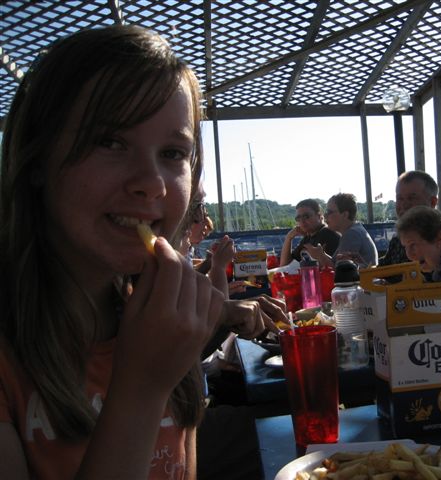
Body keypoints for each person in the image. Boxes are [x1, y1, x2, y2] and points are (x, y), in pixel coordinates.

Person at [0, 25, 287, 479]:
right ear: (36, 160)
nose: (151, 182)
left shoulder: (153, 319)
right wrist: (141, 390)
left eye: (173, 153)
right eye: (110, 141)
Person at [379, 170, 441, 266]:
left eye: (412, 198)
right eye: (400, 198)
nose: (404, 205)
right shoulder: (398, 238)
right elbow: (383, 269)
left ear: (432, 202)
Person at [306, 193, 378, 268]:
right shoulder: (355, 230)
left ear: (344, 215)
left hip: (363, 279)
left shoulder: (352, 234)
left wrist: (320, 256)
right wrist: (321, 254)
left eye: (329, 212)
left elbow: (340, 271)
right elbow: (336, 264)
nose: (325, 216)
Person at [279, 198, 340, 266]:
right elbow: (285, 265)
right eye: (298, 218)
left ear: (319, 216)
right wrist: (289, 237)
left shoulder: (328, 234)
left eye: (306, 216)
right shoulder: (308, 237)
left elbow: (336, 268)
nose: (302, 221)